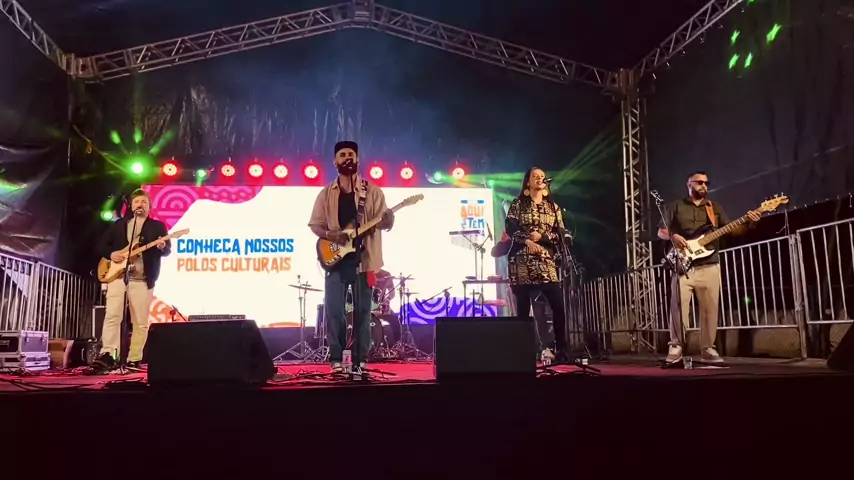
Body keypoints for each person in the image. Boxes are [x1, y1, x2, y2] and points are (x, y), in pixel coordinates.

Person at [309, 140, 395, 375]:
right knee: (335, 312)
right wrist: (331, 235)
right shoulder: (326, 193)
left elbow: (384, 221)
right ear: (335, 161)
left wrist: (389, 221)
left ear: (357, 159)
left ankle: (361, 361)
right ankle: (336, 360)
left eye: (351, 154)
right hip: (336, 262)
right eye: (342, 154)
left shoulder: (372, 191)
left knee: (363, 313)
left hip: (364, 261)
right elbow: (315, 225)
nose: (347, 158)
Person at [659, 171, 760, 364]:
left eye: (706, 183)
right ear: (689, 184)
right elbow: (661, 231)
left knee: (710, 310)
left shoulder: (715, 208)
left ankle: (707, 348)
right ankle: (676, 346)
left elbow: (731, 230)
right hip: (683, 266)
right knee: (679, 308)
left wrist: (750, 223)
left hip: (710, 264)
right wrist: (673, 236)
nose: (704, 185)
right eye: (699, 182)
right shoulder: (676, 206)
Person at [94, 189, 171, 370]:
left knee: (140, 322)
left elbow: (167, 250)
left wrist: (162, 246)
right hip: (118, 277)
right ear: (131, 205)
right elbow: (101, 245)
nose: (140, 205)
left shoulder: (157, 226)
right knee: (112, 316)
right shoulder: (119, 225)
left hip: (143, 279)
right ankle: (108, 354)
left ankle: (134, 358)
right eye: (137, 202)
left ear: (150, 207)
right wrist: (112, 254)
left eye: (144, 202)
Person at [504, 167, 569, 361]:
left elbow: (561, 234)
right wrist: (527, 241)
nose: (540, 179)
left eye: (542, 176)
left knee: (558, 306)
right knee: (523, 309)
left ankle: (562, 350)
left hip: (546, 261)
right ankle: (523, 353)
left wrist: (542, 237)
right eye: (535, 176)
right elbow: (510, 227)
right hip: (522, 261)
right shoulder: (518, 204)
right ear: (527, 182)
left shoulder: (553, 208)